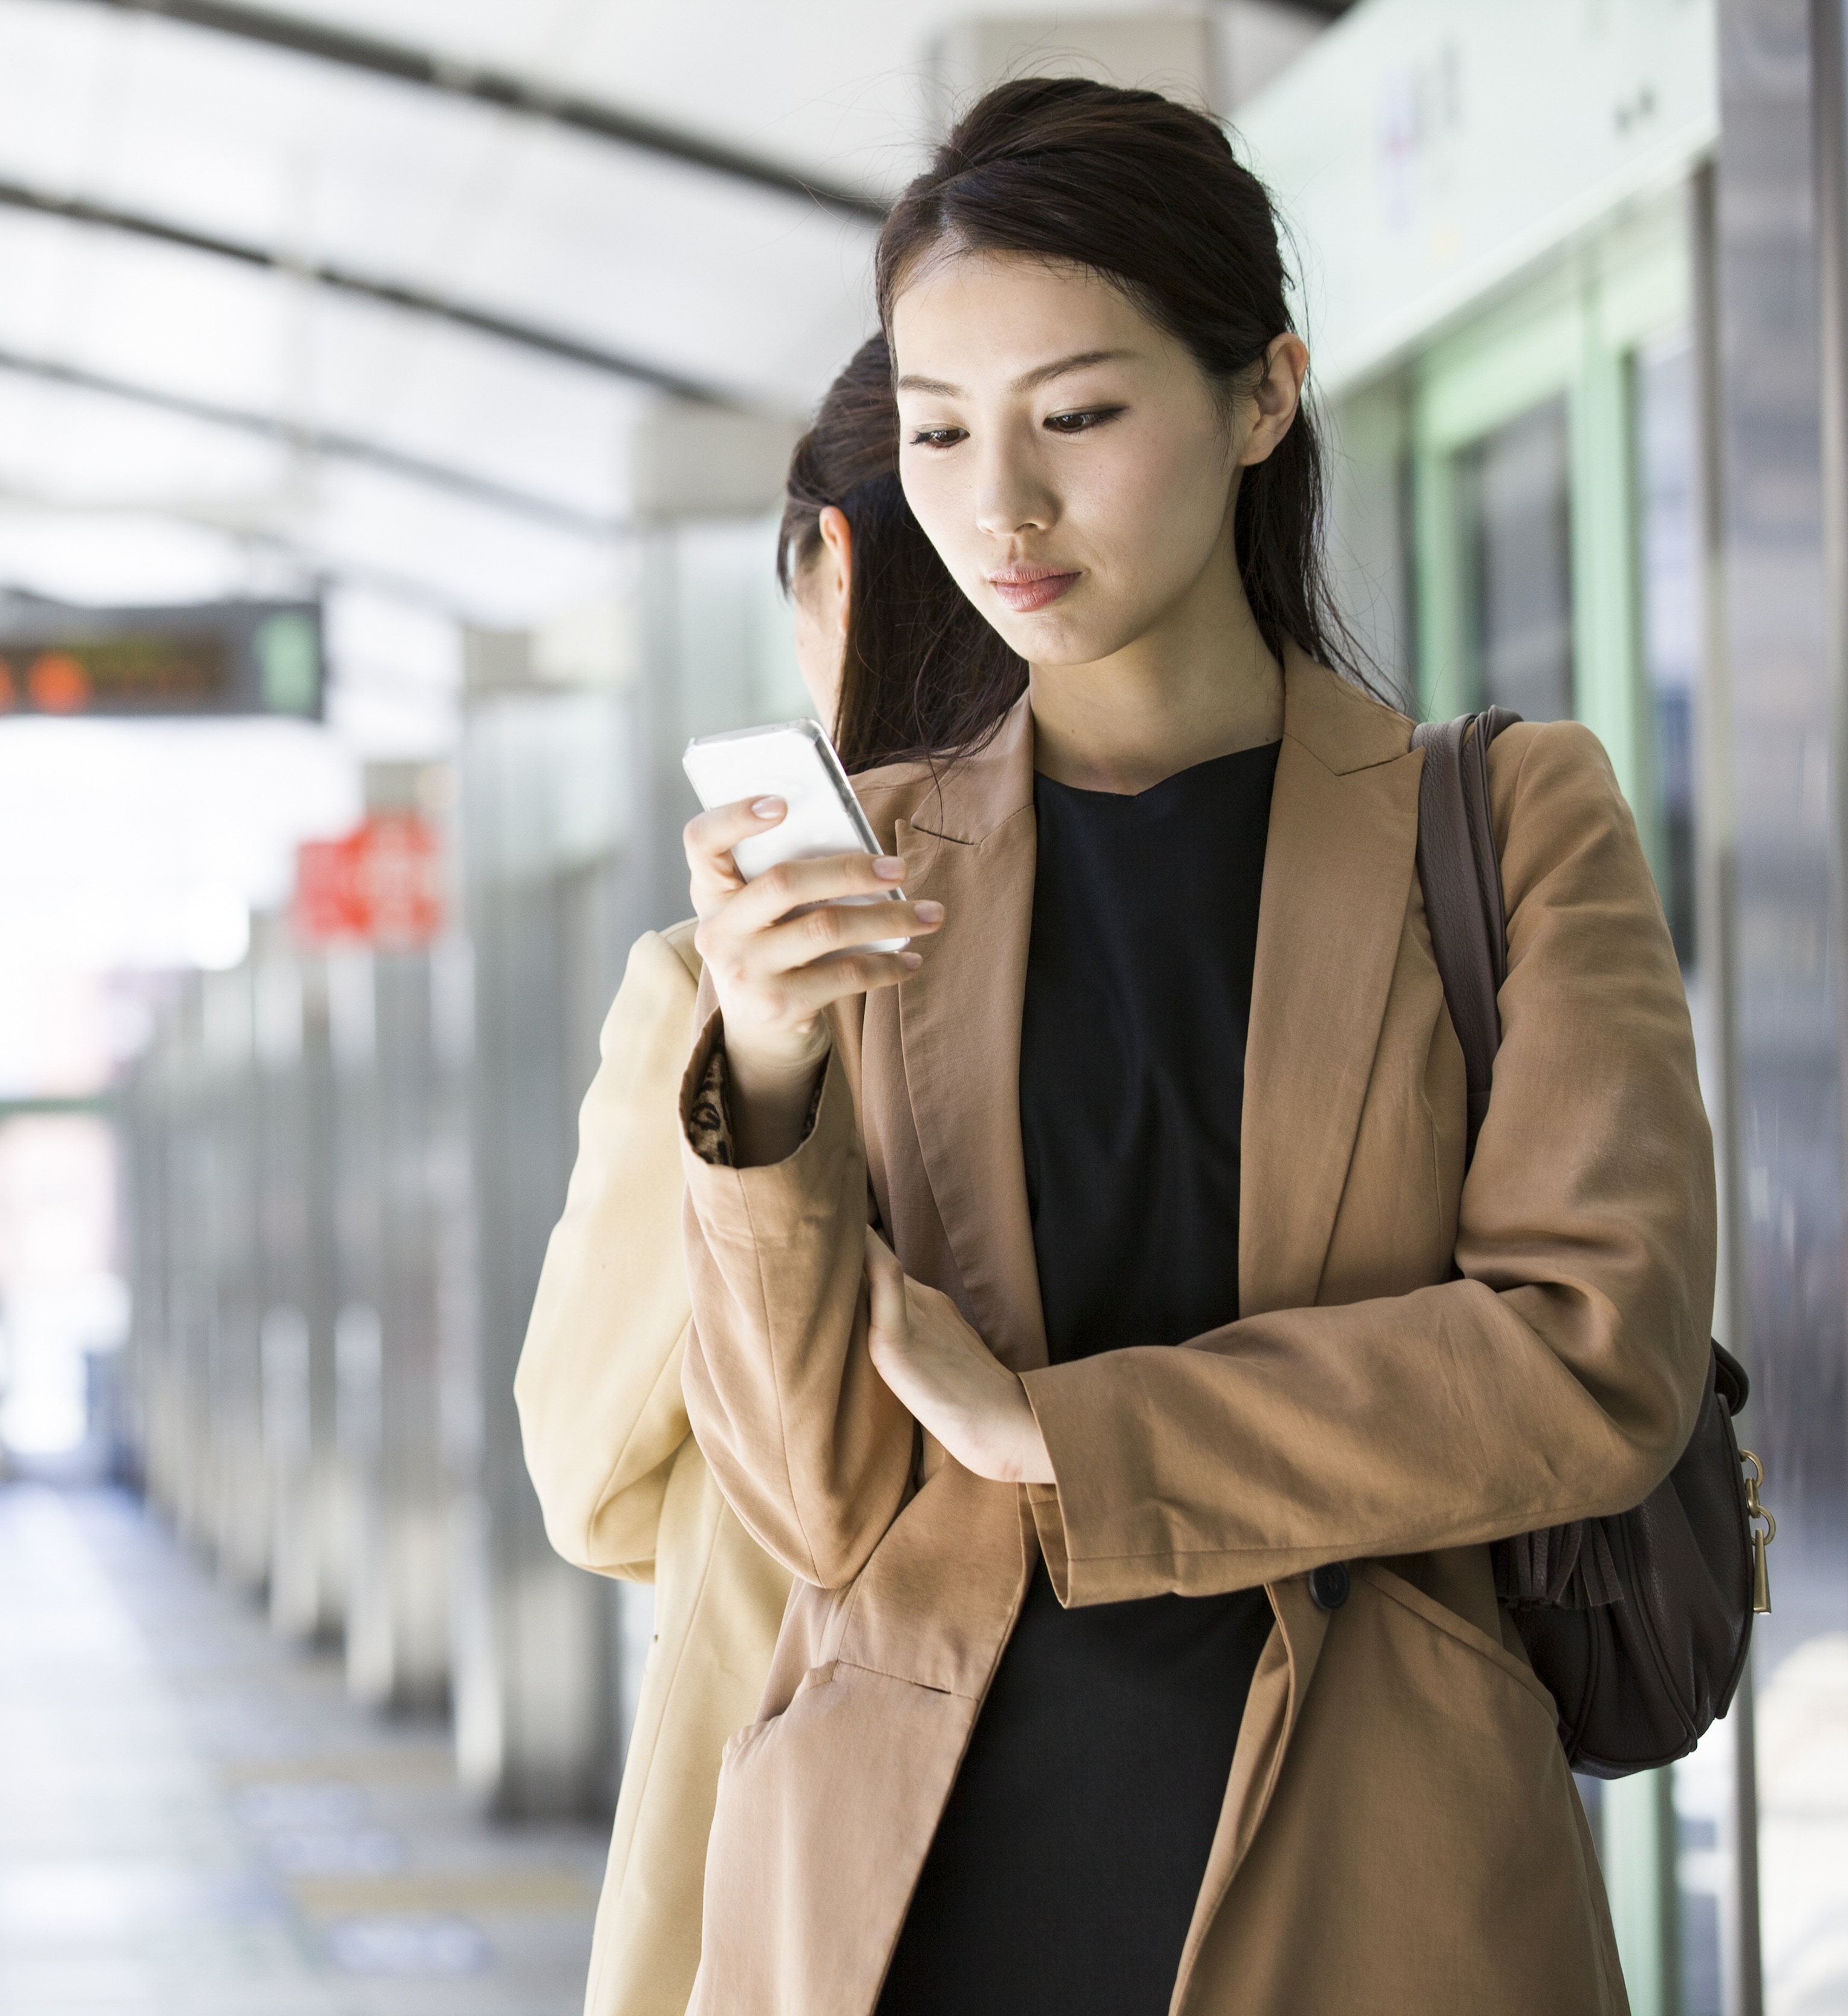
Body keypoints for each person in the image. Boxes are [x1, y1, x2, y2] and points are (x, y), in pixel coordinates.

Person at [672, 78, 1713, 2016]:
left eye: (1076, 416)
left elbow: (1590, 1357)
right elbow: (810, 1502)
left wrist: (1050, 1427)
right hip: (904, 1888)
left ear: (1260, 397)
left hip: (1372, 1874)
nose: (1000, 507)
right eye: (936, 432)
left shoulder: (1495, 825)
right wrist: (764, 1071)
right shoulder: (876, 862)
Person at [514, 333, 1025, 2014]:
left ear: (842, 561)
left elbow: (586, 1465)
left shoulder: (721, 992)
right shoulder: (1275, 893)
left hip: (809, 1808)